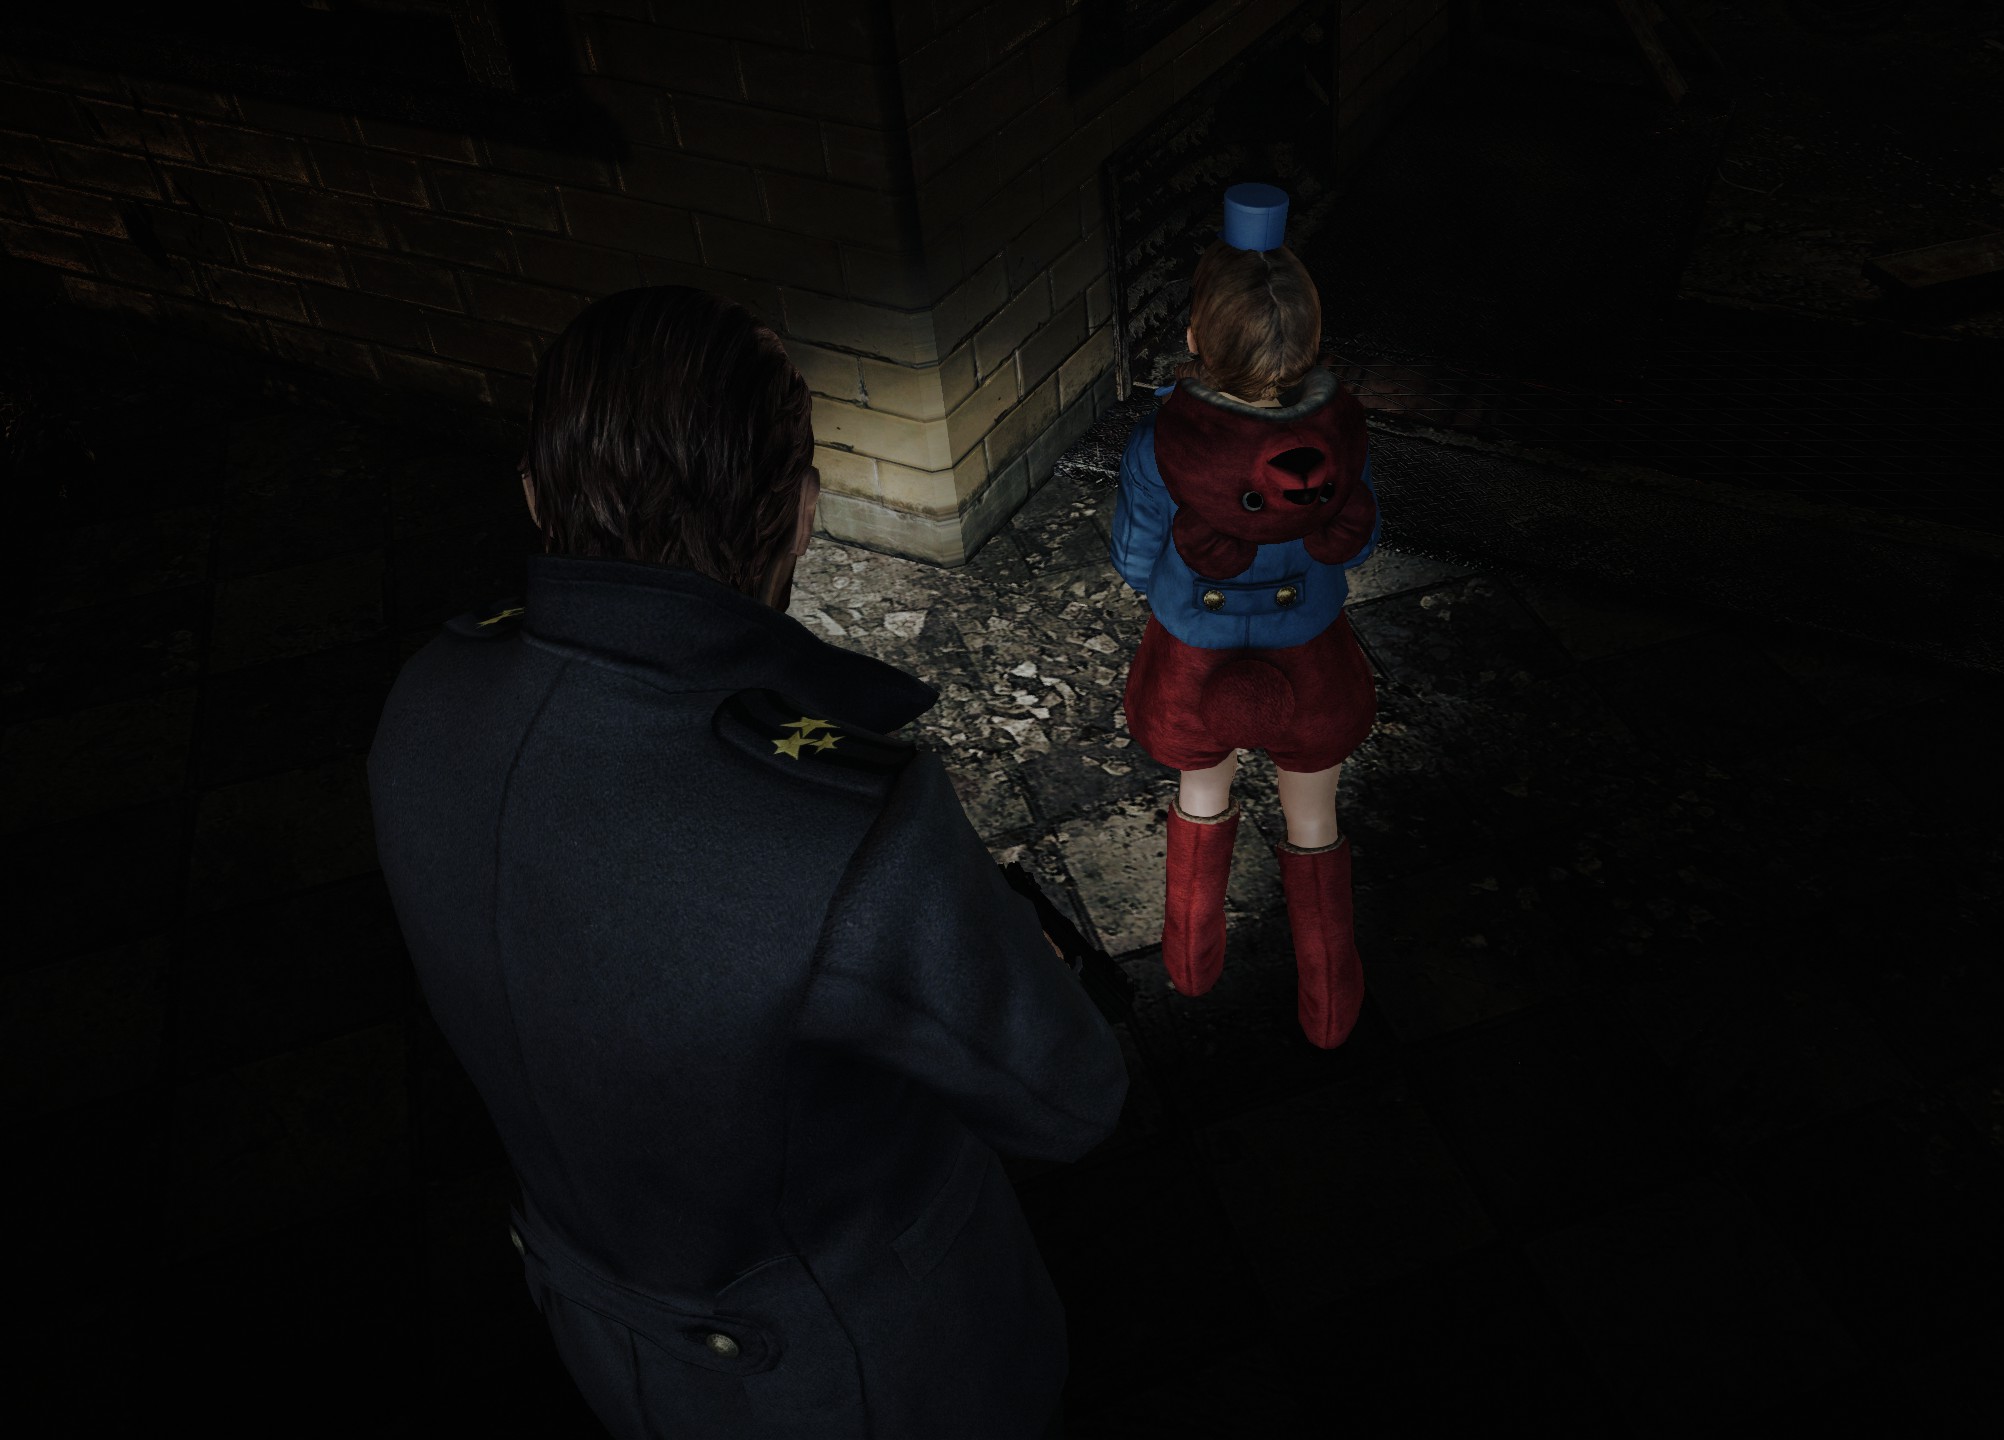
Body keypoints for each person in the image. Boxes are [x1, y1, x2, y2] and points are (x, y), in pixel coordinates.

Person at [367, 286, 1126, 1439]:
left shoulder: (425, 697)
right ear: (804, 513)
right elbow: (1071, 1099)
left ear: (532, 492)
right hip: (864, 1378)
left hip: (597, 1327)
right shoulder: (848, 829)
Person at [1109, 183, 1384, 1049]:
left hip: (1195, 651)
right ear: (1310, 343)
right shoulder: (1342, 433)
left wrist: (1166, 585)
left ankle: (1191, 968)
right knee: (1315, 817)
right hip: (1310, 651)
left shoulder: (1161, 441)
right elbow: (1358, 542)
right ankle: (1331, 1007)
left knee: (1201, 793)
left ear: (1197, 339)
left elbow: (1133, 554)